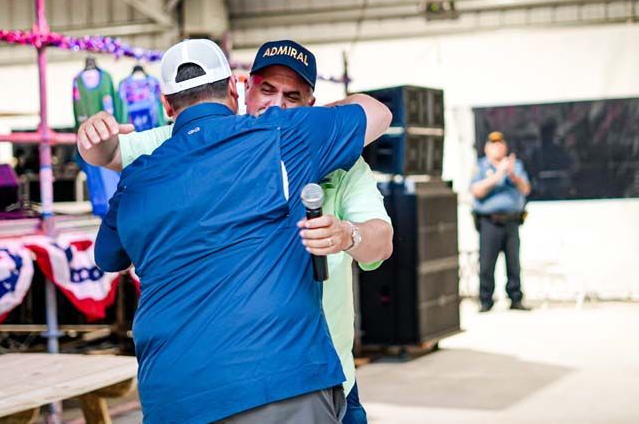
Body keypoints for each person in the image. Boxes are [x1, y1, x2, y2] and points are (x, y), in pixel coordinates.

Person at [79, 39, 393, 424]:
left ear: (166, 104)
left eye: (292, 96)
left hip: (183, 388)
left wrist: (348, 235)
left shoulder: (143, 173)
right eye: (267, 90)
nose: (276, 103)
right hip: (282, 379)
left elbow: (107, 255)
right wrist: (93, 139)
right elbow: (107, 153)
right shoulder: (287, 134)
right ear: (238, 88)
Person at [471, 131, 532, 312]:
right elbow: (476, 190)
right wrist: (498, 175)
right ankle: (486, 300)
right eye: (493, 144)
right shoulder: (480, 166)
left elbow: (526, 189)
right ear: (486, 148)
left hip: (512, 221)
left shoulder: (516, 166)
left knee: (514, 263)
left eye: (500, 143)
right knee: (486, 263)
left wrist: (512, 174)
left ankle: (515, 298)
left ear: (505, 147)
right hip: (489, 222)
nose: (497, 147)